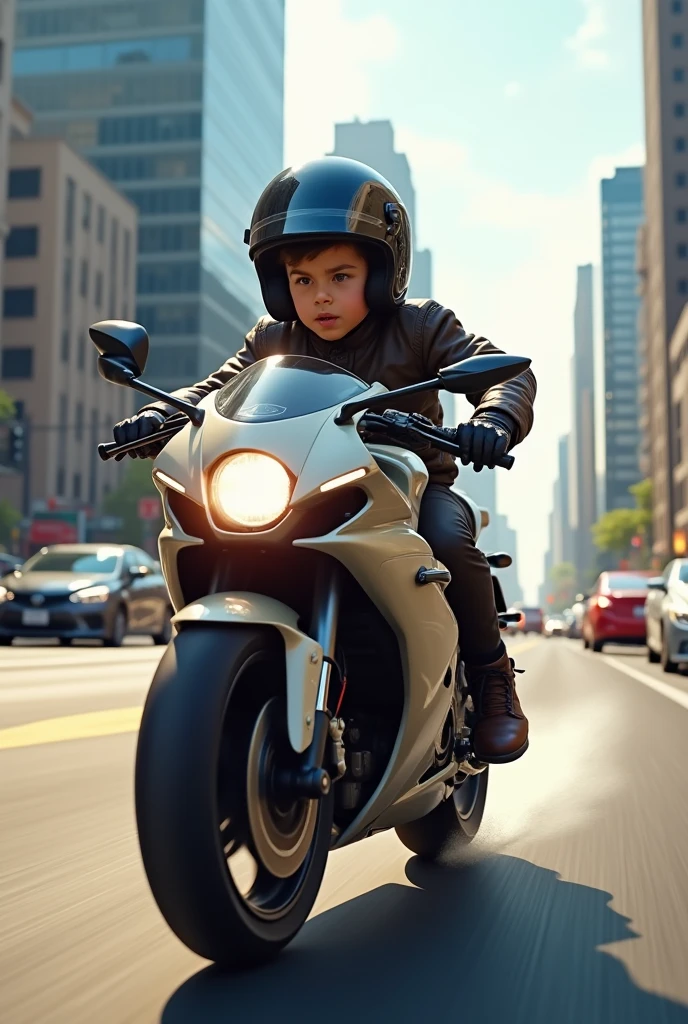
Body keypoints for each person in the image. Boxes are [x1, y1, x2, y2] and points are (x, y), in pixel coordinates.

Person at [113, 157, 537, 764]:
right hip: (303, 491)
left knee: (449, 536)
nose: (320, 296)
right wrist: (162, 416)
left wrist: (493, 421)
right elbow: (215, 389)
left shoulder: (422, 327)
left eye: (340, 276)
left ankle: (493, 680)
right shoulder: (271, 339)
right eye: (302, 280)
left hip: (408, 495)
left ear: (381, 271)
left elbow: (506, 373)